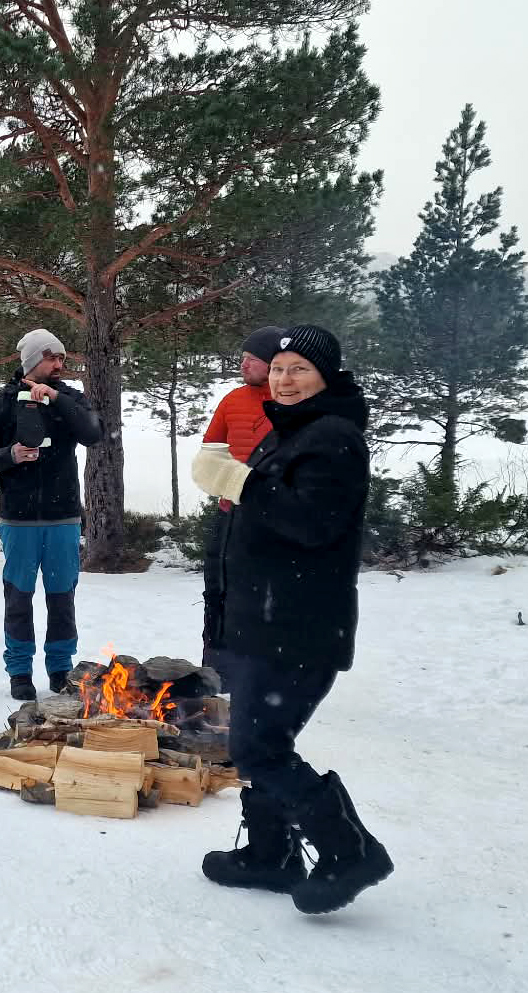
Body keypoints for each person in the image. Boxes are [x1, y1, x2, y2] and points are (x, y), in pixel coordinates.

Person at [192, 324, 392, 915]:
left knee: (259, 749)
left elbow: (312, 524)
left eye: (299, 369)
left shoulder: (333, 438)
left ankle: (350, 851)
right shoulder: (291, 430)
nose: (284, 379)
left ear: (325, 376)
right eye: (278, 369)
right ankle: (270, 855)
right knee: (261, 742)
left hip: (296, 628)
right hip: (264, 621)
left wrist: (242, 482)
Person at [0, 329, 102, 701]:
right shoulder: (4, 403)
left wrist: (57, 399)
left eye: (61, 358)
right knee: (18, 596)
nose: (58, 364)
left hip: (63, 516)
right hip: (18, 518)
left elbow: (93, 433)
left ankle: (60, 669)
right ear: (30, 361)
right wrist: (10, 455)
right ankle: (19, 671)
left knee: (62, 597)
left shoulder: (69, 398)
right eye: (50, 358)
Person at [199, 326, 285, 669]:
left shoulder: (294, 403)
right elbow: (211, 451)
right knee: (218, 588)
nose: (243, 364)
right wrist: (223, 484)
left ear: (273, 363)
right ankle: (215, 667)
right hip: (230, 513)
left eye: (252, 359)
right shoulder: (232, 400)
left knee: (266, 595)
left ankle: (263, 669)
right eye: (243, 358)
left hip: (275, 518)